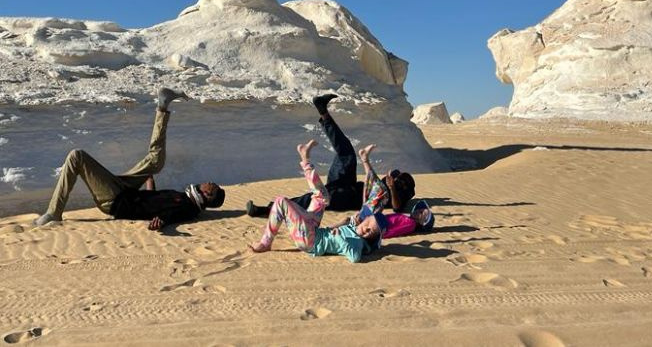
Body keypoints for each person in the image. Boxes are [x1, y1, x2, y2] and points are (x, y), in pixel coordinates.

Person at [33, 87, 225, 230]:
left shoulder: (187, 208)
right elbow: (154, 201)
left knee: (77, 156)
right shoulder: (184, 197)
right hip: (128, 191)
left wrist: (161, 222)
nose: (209, 182)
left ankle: (54, 213)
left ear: (207, 196)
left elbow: (170, 214)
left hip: (116, 200)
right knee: (156, 161)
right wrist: (149, 180)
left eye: (212, 186)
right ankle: (163, 106)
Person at [245, 94, 415, 218]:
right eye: (398, 176)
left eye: (400, 180)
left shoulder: (400, 194)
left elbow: (398, 209)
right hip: (349, 183)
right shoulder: (393, 180)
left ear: (405, 187)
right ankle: (323, 112)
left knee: (311, 199)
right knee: (347, 152)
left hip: (347, 199)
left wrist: (393, 188)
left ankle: (268, 210)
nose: (396, 178)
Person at [248, 139, 388, 263]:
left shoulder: (358, 242)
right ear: (365, 219)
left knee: (281, 202)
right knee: (322, 197)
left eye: (371, 232)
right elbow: (345, 223)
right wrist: (341, 224)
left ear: (372, 238)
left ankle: (265, 243)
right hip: (315, 230)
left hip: (310, 242)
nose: (366, 230)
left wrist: (340, 238)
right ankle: (305, 158)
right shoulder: (354, 226)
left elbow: (355, 257)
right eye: (368, 225)